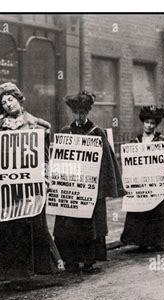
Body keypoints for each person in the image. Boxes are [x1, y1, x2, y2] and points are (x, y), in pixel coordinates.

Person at [0, 82, 63, 288]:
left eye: (10, 99)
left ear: (19, 99)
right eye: (4, 103)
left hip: (31, 186)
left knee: (31, 226)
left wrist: (46, 177)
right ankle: (12, 273)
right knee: (8, 228)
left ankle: (33, 270)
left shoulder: (37, 126)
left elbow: (45, 157)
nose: (8, 105)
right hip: (6, 188)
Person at [53, 91, 124, 273]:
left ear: (88, 113)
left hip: (90, 189)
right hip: (71, 188)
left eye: (83, 113)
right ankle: (70, 260)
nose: (80, 116)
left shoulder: (97, 133)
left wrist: (100, 187)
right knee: (69, 226)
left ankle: (88, 259)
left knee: (88, 226)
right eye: (77, 113)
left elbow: (106, 163)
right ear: (72, 113)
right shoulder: (65, 132)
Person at [121, 102, 164, 251]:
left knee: (157, 211)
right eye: (147, 122)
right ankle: (141, 240)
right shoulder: (136, 141)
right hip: (141, 183)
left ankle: (156, 241)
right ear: (143, 123)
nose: (149, 126)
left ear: (156, 124)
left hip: (157, 184)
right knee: (141, 211)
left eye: (152, 123)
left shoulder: (162, 141)